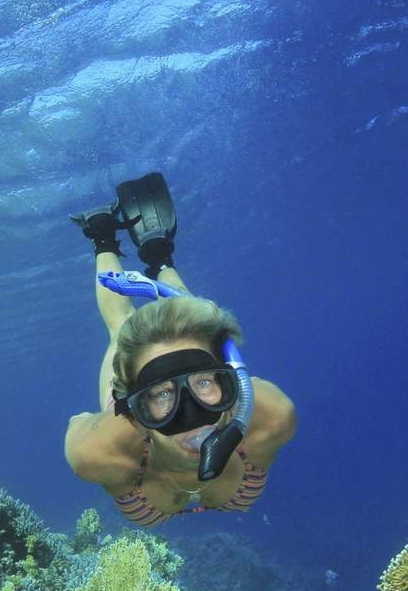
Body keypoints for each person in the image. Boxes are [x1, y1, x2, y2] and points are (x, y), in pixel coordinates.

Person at [64, 172, 297, 527]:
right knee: (121, 324)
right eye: (159, 394)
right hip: (126, 424)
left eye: (204, 382)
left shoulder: (272, 419)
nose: (189, 415)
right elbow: (78, 424)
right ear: (130, 407)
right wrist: (101, 423)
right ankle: (103, 237)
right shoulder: (99, 454)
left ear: (232, 384)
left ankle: (158, 259)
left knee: (188, 314)